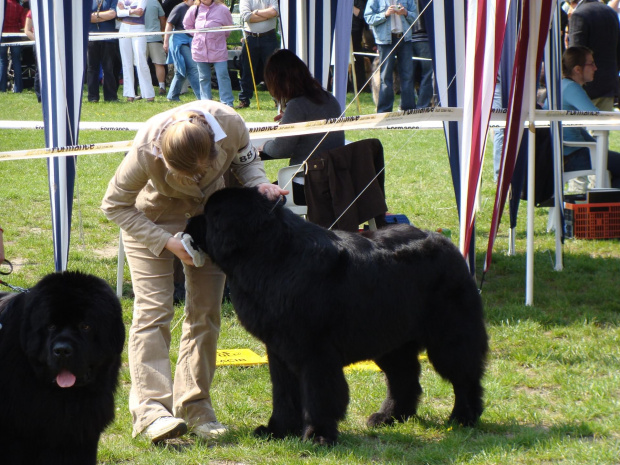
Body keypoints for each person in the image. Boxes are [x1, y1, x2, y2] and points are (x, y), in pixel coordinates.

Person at [101, 100, 287, 443]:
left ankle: (195, 404)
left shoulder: (231, 124)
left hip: (209, 222)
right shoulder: (145, 149)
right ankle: (151, 412)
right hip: (150, 220)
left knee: (206, 313)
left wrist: (260, 185)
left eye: (203, 172)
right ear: (161, 153)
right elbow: (114, 204)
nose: (196, 180)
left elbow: (248, 164)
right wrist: (164, 242)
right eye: (187, 176)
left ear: (214, 147)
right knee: (154, 312)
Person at [259, 49, 345, 203]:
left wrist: (263, 146)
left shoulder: (297, 105)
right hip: (335, 182)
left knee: (253, 200)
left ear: (278, 81)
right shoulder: (329, 98)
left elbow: (280, 149)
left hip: (307, 185)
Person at [561, 46, 620, 189]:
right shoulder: (571, 88)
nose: (595, 68)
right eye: (591, 64)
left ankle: (606, 205)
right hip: (571, 156)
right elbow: (596, 117)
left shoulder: (563, 85)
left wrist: (596, 146)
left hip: (566, 152)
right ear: (577, 69)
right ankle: (608, 207)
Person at [364, 0, 417, 113]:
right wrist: (385, 14)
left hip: (405, 38)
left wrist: (405, 13)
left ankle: (408, 108)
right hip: (385, 40)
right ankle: (384, 110)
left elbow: (415, 16)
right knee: (385, 76)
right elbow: (368, 18)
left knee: (407, 74)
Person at [568, 0, 620, 111]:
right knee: (601, 127)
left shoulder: (579, 14)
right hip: (608, 84)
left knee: (579, 127)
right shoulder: (611, 13)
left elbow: (575, 53)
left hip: (585, 86)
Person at [183, 0, 234, 107]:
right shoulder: (194, 9)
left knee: (223, 75)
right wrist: (198, 36)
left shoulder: (223, 9)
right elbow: (187, 25)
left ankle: (227, 103)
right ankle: (206, 103)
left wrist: (217, 38)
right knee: (203, 77)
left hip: (218, 50)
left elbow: (229, 28)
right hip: (200, 50)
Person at [237, 0, 280, 109]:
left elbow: (275, 11)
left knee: (273, 69)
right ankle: (244, 99)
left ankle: (278, 99)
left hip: (269, 37)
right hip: (250, 38)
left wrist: (255, 12)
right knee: (247, 70)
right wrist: (267, 16)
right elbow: (247, 17)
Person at [116, 0, 156, 102]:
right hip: (124, 28)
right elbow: (118, 13)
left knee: (141, 60)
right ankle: (129, 94)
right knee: (126, 62)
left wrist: (125, 10)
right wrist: (132, 11)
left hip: (138, 28)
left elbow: (140, 13)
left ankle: (148, 94)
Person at [163, 0, 201, 101]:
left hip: (191, 41)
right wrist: (165, 41)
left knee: (181, 70)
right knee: (192, 68)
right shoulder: (179, 8)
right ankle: (202, 97)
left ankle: (172, 96)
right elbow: (169, 24)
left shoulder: (198, 8)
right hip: (179, 41)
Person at [88, 0, 120, 102]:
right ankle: (93, 97)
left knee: (108, 68)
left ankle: (110, 97)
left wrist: (95, 16)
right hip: (92, 37)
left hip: (108, 37)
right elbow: (86, 17)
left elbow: (113, 14)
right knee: (92, 68)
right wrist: (103, 16)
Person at [0, 0, 27, 94]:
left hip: (3, 34)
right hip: (15, 33)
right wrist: (17, 25)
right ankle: (18, 88)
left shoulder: (2, 6)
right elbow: (23, 23)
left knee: (2, 60)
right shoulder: (19, 7)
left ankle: (2, 88)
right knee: (16, 60)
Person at [410, 0, 433, 108]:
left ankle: (407, 105)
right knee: (428, 73)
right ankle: (423, 105)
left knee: (408, 74)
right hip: (423, 34)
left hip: (407, 35)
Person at [144, 0, 168, 96]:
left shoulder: (135, 2)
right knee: (159, 64)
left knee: (142, 65)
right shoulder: (155, 2)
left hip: (140, 38)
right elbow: (162, 18)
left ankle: (144, 87)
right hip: (155, 37)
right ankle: (162, 86)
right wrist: (161, 31)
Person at [351, 0, 369, 93]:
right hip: (343, 30)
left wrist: (350, 6)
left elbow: (362, 15)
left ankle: (361, 86)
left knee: (358, 58)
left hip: (355, 31)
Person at [24, 9, 41, 103]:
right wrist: (39, 42)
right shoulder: (32, 12)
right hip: (39, 45)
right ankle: (40, 96)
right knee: (40, 70)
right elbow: (27, 30)